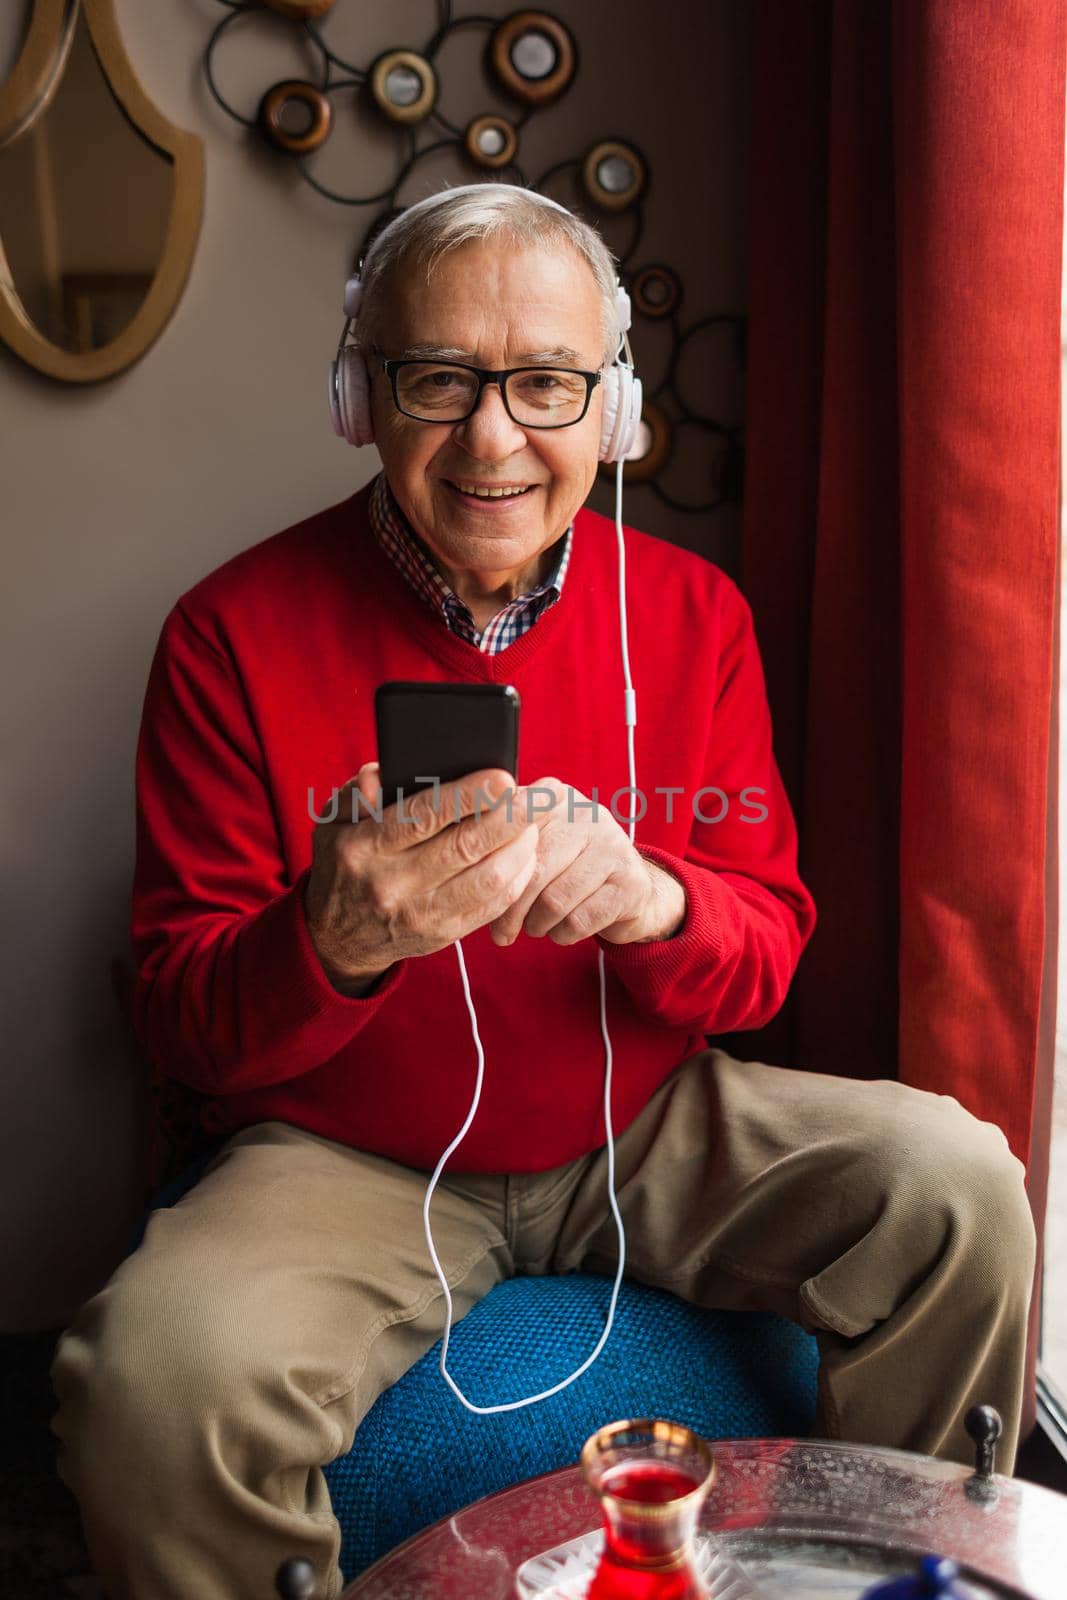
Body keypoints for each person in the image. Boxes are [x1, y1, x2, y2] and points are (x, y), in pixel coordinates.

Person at [49, 183, 1035, 1600]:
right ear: (359, 396)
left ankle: (891, 1578)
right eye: (438, 379)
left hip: (646, 1117)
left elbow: (766, 955)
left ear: (613, 407)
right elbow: (183, 1025)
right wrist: (326, 943)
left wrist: (654, 903)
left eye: (546, 383)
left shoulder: (696, 618)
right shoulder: (227, 633)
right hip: (345, 1157)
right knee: (150, 1385)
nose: (493, 436)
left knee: (959, 1188)